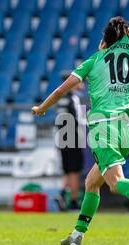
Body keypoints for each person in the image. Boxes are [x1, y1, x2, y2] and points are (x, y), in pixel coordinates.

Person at [32, 17, 129, 245]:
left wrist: (42, 107)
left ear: (105, 42)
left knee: (115, 184)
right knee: (91, 182)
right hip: (125, 131)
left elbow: (60, 89)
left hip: (103, 129)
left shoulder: (93, 61)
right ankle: (77, 235)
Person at [56, 81, 86, 211]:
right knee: (75, 171)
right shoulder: (74, 99)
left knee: (68, 170)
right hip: (72, 138)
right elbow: (79, 119)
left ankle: (62, 195)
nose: (83, 85)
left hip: (62, 138)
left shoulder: (61, 99)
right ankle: (73, 200)